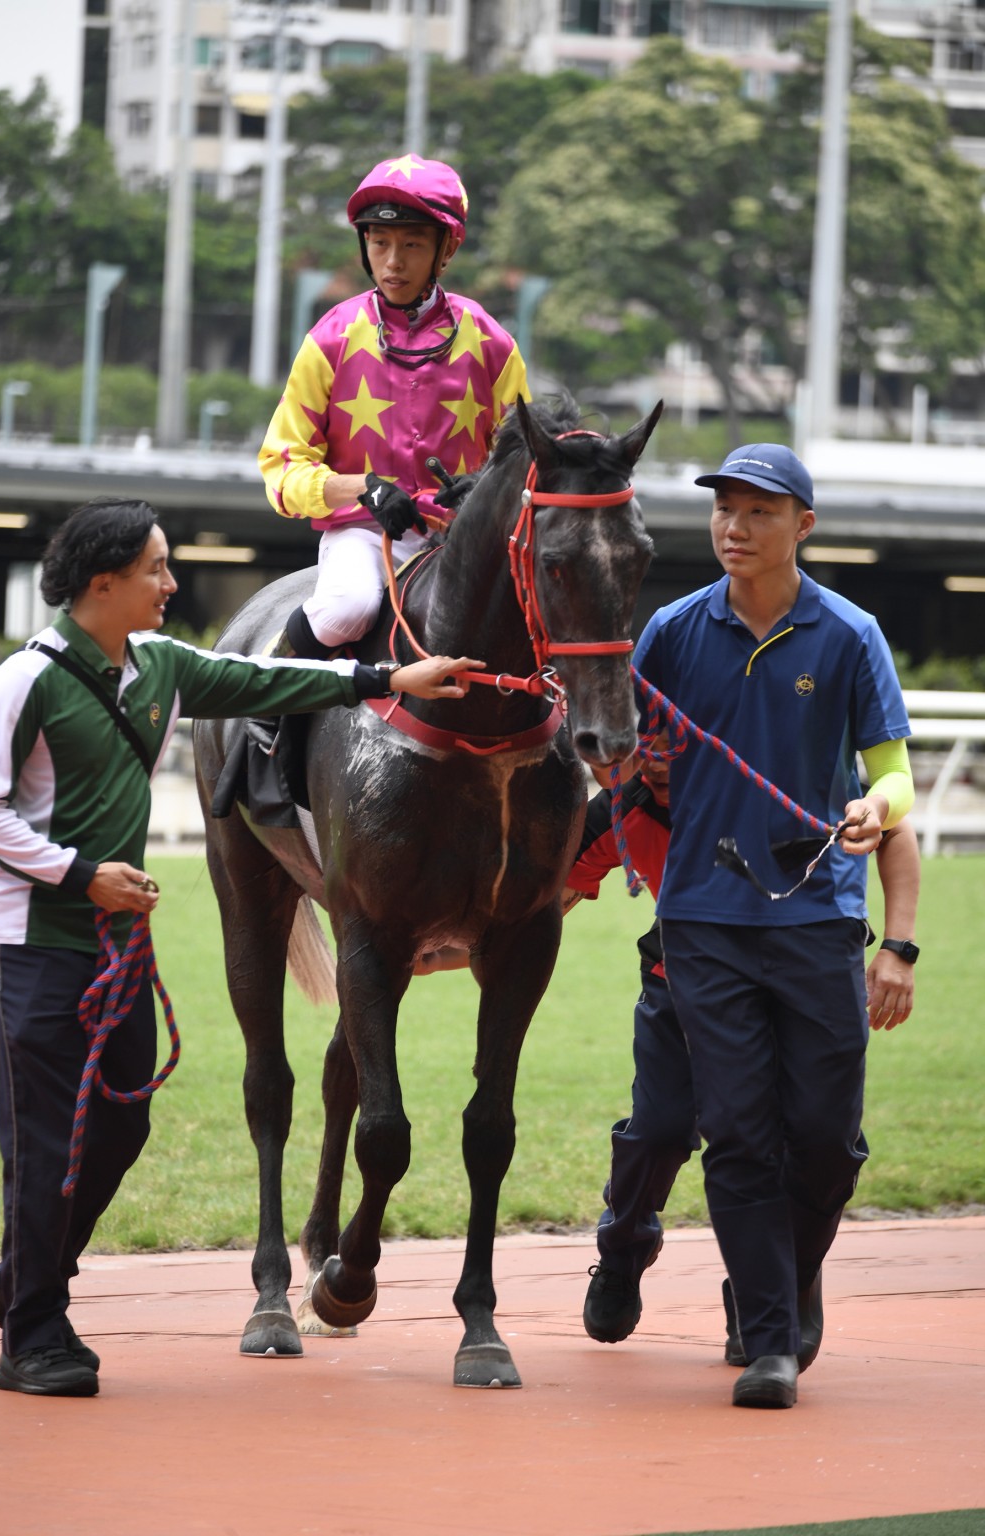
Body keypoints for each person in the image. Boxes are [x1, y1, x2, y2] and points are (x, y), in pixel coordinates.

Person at [0, 497, 481, 1399]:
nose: (171, 584)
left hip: (115, 942)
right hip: (26, 942)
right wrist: (80, 874)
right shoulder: (26, 679)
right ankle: (34, 1333)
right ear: (102, 582)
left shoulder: (160, 665)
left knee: (120, 1126)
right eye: (158, 570)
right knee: (45, 1141)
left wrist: (390, 681)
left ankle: (18, 1279)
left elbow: (269, 684)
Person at [631, 443, 914, 1410]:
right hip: (702, 921)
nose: (734, 529)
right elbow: (606, 736)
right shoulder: (669, 630)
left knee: (828, 1141)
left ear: (804, 525)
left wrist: (879, 808)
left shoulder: (849, 633)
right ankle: (769, 1339)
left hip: (820, 921)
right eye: (724, 511)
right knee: (740, 1133)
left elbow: (894, 771)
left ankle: (783, 1279)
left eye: (759, 512)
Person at [577, 756, 921, 1353]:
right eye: (638, 748)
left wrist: (898, 947)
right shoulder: (618, 808)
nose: (652, 762)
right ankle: (623, 1251)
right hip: (680, 979)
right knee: (658, 1131)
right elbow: (539, 899)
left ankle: (775, 1284)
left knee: (816, 1140)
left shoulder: (778, 772)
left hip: (801, 974)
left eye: (666, 747)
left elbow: (893, 828)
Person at [258, 154, 528, 663]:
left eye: (412, 244)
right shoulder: (330, 338)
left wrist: (489, 486)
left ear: (445, 249)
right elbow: (281, 470)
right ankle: (267, 705)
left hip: (463, 539)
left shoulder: (491, 342)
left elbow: (528, 460)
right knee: (347, 610)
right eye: (379, 243)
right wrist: (362, 488)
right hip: (364, 535)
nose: (393, 262)